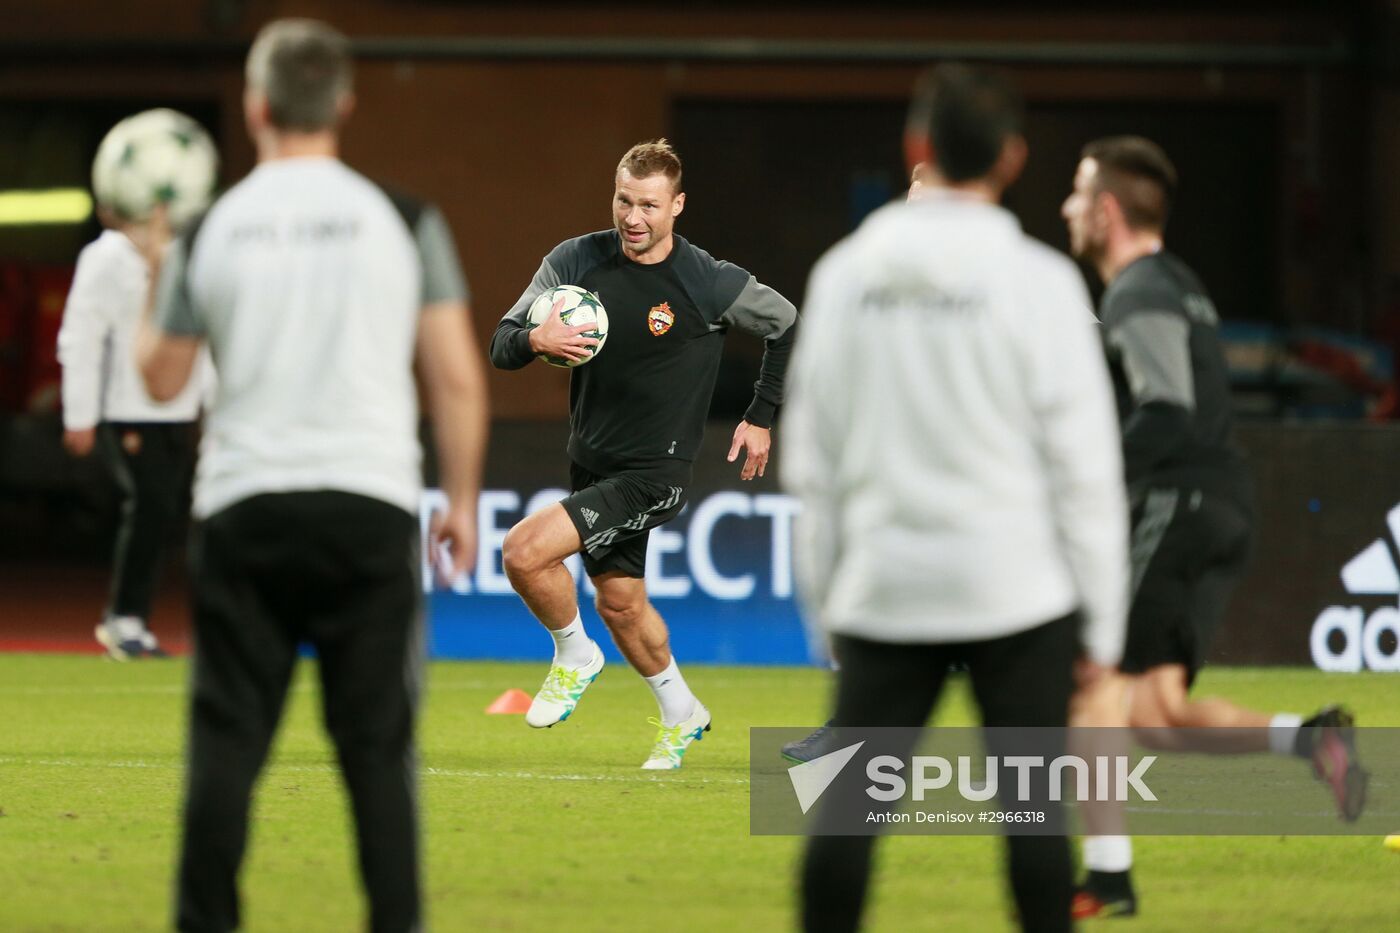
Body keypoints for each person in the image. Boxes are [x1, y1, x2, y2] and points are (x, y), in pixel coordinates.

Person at [137, 19, 487, 932]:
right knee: (377, 756)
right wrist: (459, 500)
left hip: (244, 507)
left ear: (256, 106)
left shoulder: (212, 228)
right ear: (344, 104)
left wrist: (156, 272)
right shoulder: (405, 220)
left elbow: (162, 378)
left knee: (225, 748)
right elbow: (455, 378)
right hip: (367, 507)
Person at [786, 64, 1129, 932]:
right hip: (1019, 596)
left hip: (885, 589)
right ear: (1013, 157)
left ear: (917, 144)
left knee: (845, 821)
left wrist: (825, 605)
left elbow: (813, 461)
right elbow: (1085, 469)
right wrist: (1100, 626)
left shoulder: (843, 274)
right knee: (1034, 821)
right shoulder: (1043, 282)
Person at [1060, 135, 1368, 918]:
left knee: (1090, 686)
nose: (1066, 207)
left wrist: (1087, 481)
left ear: (1106, 210)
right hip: (1222, 505)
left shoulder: (1138, 291)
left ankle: (1109, 880)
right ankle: (1312, 739)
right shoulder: (1178, 284)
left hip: (1178, 503)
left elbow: (1167, 409)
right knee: (1156, 714)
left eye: (1077, 193)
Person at [489, 139, 797, 769]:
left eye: (649, 206)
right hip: (590, 460)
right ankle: (683, 712)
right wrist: (536, 339)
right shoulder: (574, 260)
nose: (633, 218)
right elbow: (502, 342)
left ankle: (575, 654)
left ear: (677, 205)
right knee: (621, 605)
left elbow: (786, 323)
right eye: (624, 201)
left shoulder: (707, 280)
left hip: (656, 472)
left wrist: (761, 416)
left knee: (523, 552)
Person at [58, 205, 213, 659]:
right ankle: (124, 617)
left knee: (165, 511)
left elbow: (203, 332)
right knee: (149, 503)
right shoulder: (105, 257)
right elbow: (82, 334)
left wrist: (213, 402)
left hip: (179, 406)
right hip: (126, 407)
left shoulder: (188, 251)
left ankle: (136, 619)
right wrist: (80, 413)